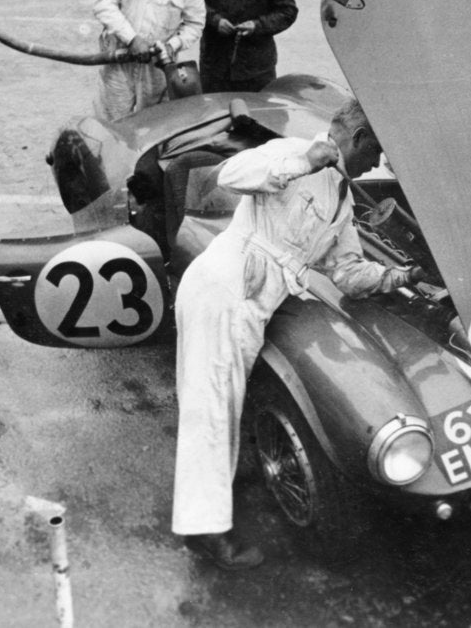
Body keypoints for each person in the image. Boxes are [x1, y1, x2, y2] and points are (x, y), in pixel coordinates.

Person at [171, 98, 424, 569]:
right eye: (376, 152)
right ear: (359, 138)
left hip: (257, 299)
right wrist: (302, 161)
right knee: (212, 406)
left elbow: (347, 272)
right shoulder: (292, 151)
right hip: (226, 285)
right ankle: (204, 531)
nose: (378, 164)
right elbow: (229, 175)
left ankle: (210, 502)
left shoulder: (343, 199)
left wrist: (400, 278)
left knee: (220, 400)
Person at [93, 0, 205, 130]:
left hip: (157, 68)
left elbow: (195, 24)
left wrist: (172, 45)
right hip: (118, 60)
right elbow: (103, 3)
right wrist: (132, 39)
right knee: (111, 126)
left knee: (153, 128)